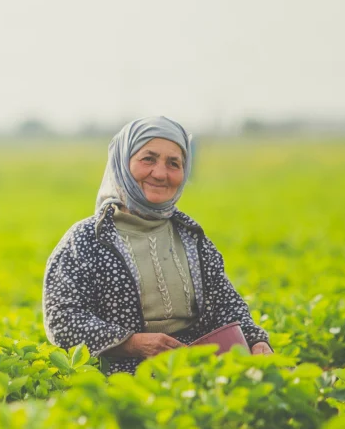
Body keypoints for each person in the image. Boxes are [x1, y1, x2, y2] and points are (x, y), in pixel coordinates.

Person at [42, 117, 272, 374]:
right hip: (119, 377)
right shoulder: (85, 240)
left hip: (200, 370)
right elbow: (62, 319)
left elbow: (226, 304)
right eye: (148, 159)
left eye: (173, 163)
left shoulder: (192, 237)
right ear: (122, 163)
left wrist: (256, 339)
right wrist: (131, 343)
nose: (161, 174)